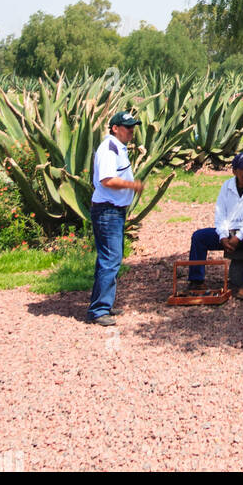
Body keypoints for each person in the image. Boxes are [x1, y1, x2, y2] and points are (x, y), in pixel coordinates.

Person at [186, 153, 243, 300]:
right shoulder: (227, 186)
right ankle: (196, 281)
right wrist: (223, 236)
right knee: (198, 237)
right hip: (229, 232)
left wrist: (239, 236)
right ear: (234, 171)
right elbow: (220, 214)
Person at [87, 111, 144, 325]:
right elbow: (107, 180)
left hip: (114, 210)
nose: (131, 130)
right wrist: (133, 185)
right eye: (127, 127)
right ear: (114, 128)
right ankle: (98, 310)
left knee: (110, 258)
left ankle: (103, 304)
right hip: (107, 211)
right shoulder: (108, 149)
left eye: (132, 127)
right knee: (110, 259)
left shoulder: (118, 147)